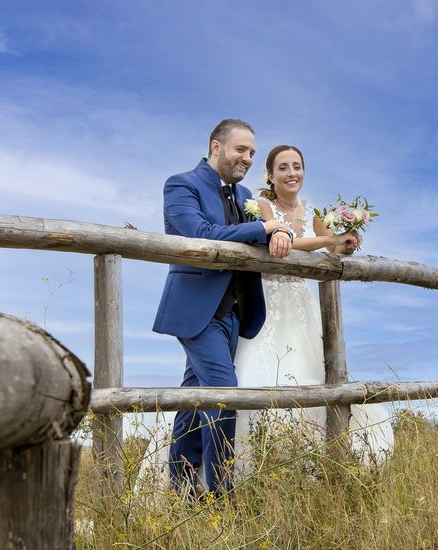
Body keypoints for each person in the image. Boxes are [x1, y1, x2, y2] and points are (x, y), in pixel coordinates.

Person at [152, 119, 295, 496]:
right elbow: (199, 235)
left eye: (251, 152)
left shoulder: (245, 192)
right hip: (196, 312)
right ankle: (220, 496)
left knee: (192, 399)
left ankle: (181, 489)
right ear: (216, 147)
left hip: (235, 312)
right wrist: (262, 229)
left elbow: (265, 234)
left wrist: (278, 230)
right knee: (225, 395)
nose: (247, 158)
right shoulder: (181, 184)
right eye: (240, 149)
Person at [233, 144, 394, 473]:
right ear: (271, 175)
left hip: (302, 304)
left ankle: (316, 458)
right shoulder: (262, 206)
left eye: (297, 167)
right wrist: (326, 242)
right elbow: (286, 244)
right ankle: (259, 459)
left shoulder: (314, 213)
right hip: (269, 299)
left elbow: (333, 251)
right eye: (283, 168)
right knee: (264, 373)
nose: (291, 174)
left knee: (315, 371)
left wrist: (346, 242)